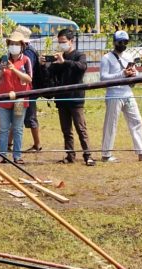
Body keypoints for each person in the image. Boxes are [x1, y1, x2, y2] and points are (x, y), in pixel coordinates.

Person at [100, 31, 142, 162]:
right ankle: (106, 154)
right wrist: (122, 74)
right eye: (120, 42)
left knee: (137, 121)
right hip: (114, 94)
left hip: (128, 93)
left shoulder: (129, 55)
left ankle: (141, 152)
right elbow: (103, 78)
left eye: (125, 42)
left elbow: (135, 71)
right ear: (114, 42)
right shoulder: (106, 58)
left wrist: (133, 73)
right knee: (111, 124)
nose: (123, 44)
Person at [40, 28, 95, 166]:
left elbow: (81, 67)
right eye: (59, 42)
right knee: (66, 130)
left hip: (75, 98)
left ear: (71, 41)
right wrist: (43, 65)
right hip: (61, 98)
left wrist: (64, 62)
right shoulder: (59, 57)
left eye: (63, 42)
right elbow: (49, 74)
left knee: (81, 128)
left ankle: (88, 155)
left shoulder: (79, 55)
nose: (61, 45)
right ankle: (70, 155)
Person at [0, 30, 32, 165]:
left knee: (18, 128)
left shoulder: (26, 60)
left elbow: (29, 78)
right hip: (3, 98)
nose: (13, 46)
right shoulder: (2, 59)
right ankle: (1, 155)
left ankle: (17, 155)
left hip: (20, 99)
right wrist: (1, 71)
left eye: (16, 44)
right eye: (11, 43)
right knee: (3, 128)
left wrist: (14, 69)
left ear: (22, 46)